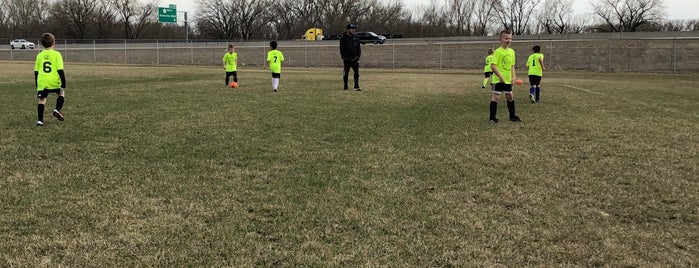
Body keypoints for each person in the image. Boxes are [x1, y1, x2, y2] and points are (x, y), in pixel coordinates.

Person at [489, 30, 521, 123]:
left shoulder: (512, 51)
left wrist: (514, 76)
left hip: (508, 80)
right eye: (506, 38)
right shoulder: (498, 52)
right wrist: (500, 77)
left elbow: (512, 66)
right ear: (501, 39)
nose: (508, 40)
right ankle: (492, 118)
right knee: (496, 97)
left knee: (510, 97)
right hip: (498, 80)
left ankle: (512, 116)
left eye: (510, 38)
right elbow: (493, 66)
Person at [34, 33, 66, 126]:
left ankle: (40, 120)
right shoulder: (57, 54)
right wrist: (63, 82)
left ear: (42, 44)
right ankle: (57, 109)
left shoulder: (39, 55)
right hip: (54, 81)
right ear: (53, 43)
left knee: (42, 100)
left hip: (42, 81)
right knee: (61, 93)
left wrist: (37, 84)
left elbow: (36, 72)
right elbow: (60, 70)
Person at [339, 23, 361, 91]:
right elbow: (341, 48)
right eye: (352, 29)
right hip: (347, 58)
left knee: (356, 72)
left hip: (355, 58)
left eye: (354, 29)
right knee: (346, 72)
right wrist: (344, 57)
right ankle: (345, 85)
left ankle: (356, 86)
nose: (353, 30)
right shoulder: (343, 38)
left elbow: (358, 47)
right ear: (348, 30)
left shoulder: (356, 37)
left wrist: (358, 56)